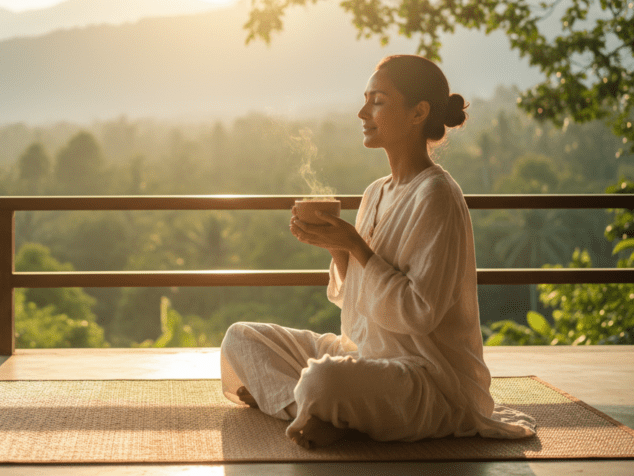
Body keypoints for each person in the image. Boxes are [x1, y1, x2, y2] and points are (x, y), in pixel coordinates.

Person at [220, 54, 536, 449]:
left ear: (418, 112)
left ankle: (299, 403)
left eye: (378, 101)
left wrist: (355, 244)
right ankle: (313, 409)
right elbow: (353, 299)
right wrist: (339, 250)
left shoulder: (436, 195)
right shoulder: (375, 192)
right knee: (241, 338)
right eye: (365, 99)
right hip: (364, 355)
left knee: (324, 380)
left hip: (426, 378)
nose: (362, 111)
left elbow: (419, 313)